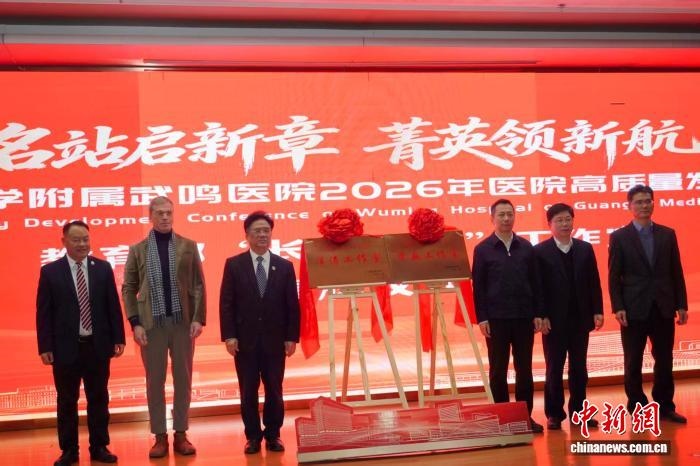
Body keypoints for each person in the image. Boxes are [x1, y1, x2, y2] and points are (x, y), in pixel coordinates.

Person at [122, 196, 207, 457]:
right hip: (151, 326)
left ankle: (181, 433)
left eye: (169, 212)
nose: (165, 217)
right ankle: (159, 436)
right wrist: (135, 323)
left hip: (182, 324)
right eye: (159, 213)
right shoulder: (138, 249)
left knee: (183, 379)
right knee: (154, 382)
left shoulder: (188, 246)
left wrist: (198, 318)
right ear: (150, 216)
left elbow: (198, 284)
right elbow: (129, 288)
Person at [36, 221, 126, 466]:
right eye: (76, 240)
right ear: (64, 242)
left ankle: (99, 446)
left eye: (86, 239)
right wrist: (45, 346)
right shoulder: (50, 272)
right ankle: (69, 450)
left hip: (97, 346)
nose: (82, 244)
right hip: (65, 348)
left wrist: (118, 337)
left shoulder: (103, 268)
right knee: (67, 401)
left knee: (99, 398)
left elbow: (112, 306)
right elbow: (44, 313)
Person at [220, 211, 300, 454]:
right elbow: (227, 303)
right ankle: (253, 436)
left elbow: (292, 305)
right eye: (257, 231)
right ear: (247, 235)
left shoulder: (284, 266)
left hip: (275, 341)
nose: (263, 235)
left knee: (275, 389)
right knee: (248, 391)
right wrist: (229, 336)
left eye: (266, 230)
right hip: (245, 341)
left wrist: (291, 337)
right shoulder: (234, 265)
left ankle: (273, 435)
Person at [608, 184, 688, 423]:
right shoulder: (619, 237)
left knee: (664, 359)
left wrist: (681, 304)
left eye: (648, 201)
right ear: (629, 206)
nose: (644, 205)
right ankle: (637, 406)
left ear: (653, 203)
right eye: (639, 202)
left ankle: (665, 405)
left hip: (663, 306)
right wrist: (618, 306)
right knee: (633, 360)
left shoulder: (667, 234)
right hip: (633, 308)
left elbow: (676, 271)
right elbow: (614, 276)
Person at [471, 199, 544, 433]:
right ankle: (501, 418)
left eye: (509, 214)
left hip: (524, 318)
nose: (506, 219)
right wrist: (482, 318)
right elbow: (478, 288)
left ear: (514, 217)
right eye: (501, 215)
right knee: (498, 371)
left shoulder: (527, 247)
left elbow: (536, 283)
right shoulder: (483, 249)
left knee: (525, 370)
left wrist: (538, 313)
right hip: (496, 320)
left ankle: (524, 417)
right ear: (492, 218)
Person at [534, 203, 604, 430]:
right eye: (559, 220)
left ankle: (579, 413)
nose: (564, 224)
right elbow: (538, 287)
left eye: (568, 219)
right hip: (553, 321)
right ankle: (554, 414)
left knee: (579, 369)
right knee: (554, 368)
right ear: (550, 224)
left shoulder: (585, 248)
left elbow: (594, 282)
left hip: (580, 318)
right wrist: (541, 315)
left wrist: (598, 310)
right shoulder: (540, 251)